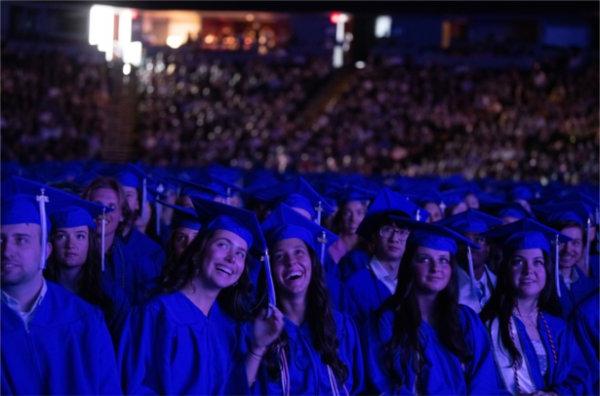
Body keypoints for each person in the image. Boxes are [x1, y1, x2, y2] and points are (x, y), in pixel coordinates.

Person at [117, 198, 264, 394]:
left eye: (240, 254)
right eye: (223, 245)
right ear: (200, 250)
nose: (231, 259)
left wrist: (258, 347)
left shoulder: (228, 327)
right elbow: (132, 385)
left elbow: (233, 390)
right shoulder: (157, 314)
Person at [364, 221, 504, 394]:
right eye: (425, 259)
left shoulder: (467, 321)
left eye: (443, 260)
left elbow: (484, 384)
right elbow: (383, 384)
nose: (436, 268)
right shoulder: (387, 320)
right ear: (410, 265)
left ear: (451, 269)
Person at [1, 192, 121, 394]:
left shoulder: (87, 319)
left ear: (45, 251)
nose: (6, 251)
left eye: (21, 240)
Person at [247, 204, 364, 394]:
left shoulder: (342, 326)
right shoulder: (258, 329)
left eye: (299, 252)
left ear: (312, 262)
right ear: (269, 270)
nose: (291, 262)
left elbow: (359, 388)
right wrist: (258, 347)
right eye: (279, 256)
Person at [480, 219, 590, 394]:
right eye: (518, 262)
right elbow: (481, 386)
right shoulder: (488, 326)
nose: (528, 270)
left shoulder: (557, 327)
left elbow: (580, 376)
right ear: (506, 270)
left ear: (547, 269)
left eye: (537, 262)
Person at [44, 196, 130, 335]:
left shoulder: (112, 296)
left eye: (80, 236)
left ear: (90, 242)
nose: (70, 245)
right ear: (51, 244)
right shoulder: (38, 294)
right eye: (61, 236)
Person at [340, 188, 422, 324]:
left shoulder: (414, 282)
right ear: (374, 237)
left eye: (402, 231)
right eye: (387, 230)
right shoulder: (355, 286)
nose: (395, 238)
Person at [83, 176, 165, 305]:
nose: (103, 212)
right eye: (96, 205)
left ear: (122, 215)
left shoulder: (138, 263)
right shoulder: (73, 258)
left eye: (112, 207)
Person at [439, 209, 502, 313]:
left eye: (478, 240)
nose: (470, 246)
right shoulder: (444, 286)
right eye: (463, 240)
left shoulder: (499, 284)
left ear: (488, 247)